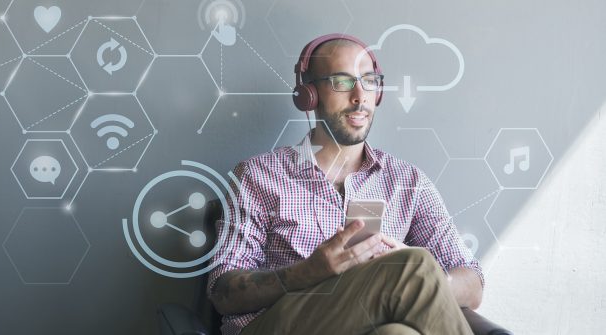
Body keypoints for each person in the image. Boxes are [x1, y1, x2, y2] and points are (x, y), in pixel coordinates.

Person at [206, 34, 483, 335]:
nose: (360, 96)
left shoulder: (408, 182)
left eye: (369, 80)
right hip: (273, 326)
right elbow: (223, 293)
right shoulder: (258, 175)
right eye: (342, 81)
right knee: (410, 266)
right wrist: (309, 271)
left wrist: (412, 279)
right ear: (308, 95)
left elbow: (473, 283)